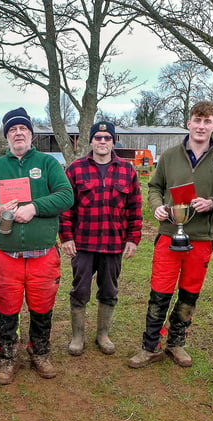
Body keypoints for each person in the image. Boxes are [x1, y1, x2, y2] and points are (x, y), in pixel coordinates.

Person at [0, 107, 73, 385]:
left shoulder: (48, 164)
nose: (18, 133)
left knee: (42, 306)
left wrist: (35, 208)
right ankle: (7, 356)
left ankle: (39, 352)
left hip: (42, 254)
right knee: (7, 306)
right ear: (7, 136)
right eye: (13, 130)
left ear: (31, 134)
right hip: (7, 255)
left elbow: (66, 196)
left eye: (23, 129)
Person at [128, 101, 213, 370]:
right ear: (189, 122)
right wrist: (157, 206)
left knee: (189, 293)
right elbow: (154, 187)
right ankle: (150, 346)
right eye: (197, 119)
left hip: (202, 238)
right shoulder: (170, 156)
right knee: (160, 292)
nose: (201, 125)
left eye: (207, 121)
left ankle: (176, 342)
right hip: (169, 235)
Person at [59, 121, 142, 357]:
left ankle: (103, 334)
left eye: (107, 138)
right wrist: (66, 237)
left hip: (113, 243)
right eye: (98, 137)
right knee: (80, 290)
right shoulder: (75, 169)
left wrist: (132, 239)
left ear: (113, 141)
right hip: (83, 243)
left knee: (109, 290)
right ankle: (78, 336)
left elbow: (135, 208)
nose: (102, 142)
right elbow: (66, 207)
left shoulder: (127, 170)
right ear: (91, 141)